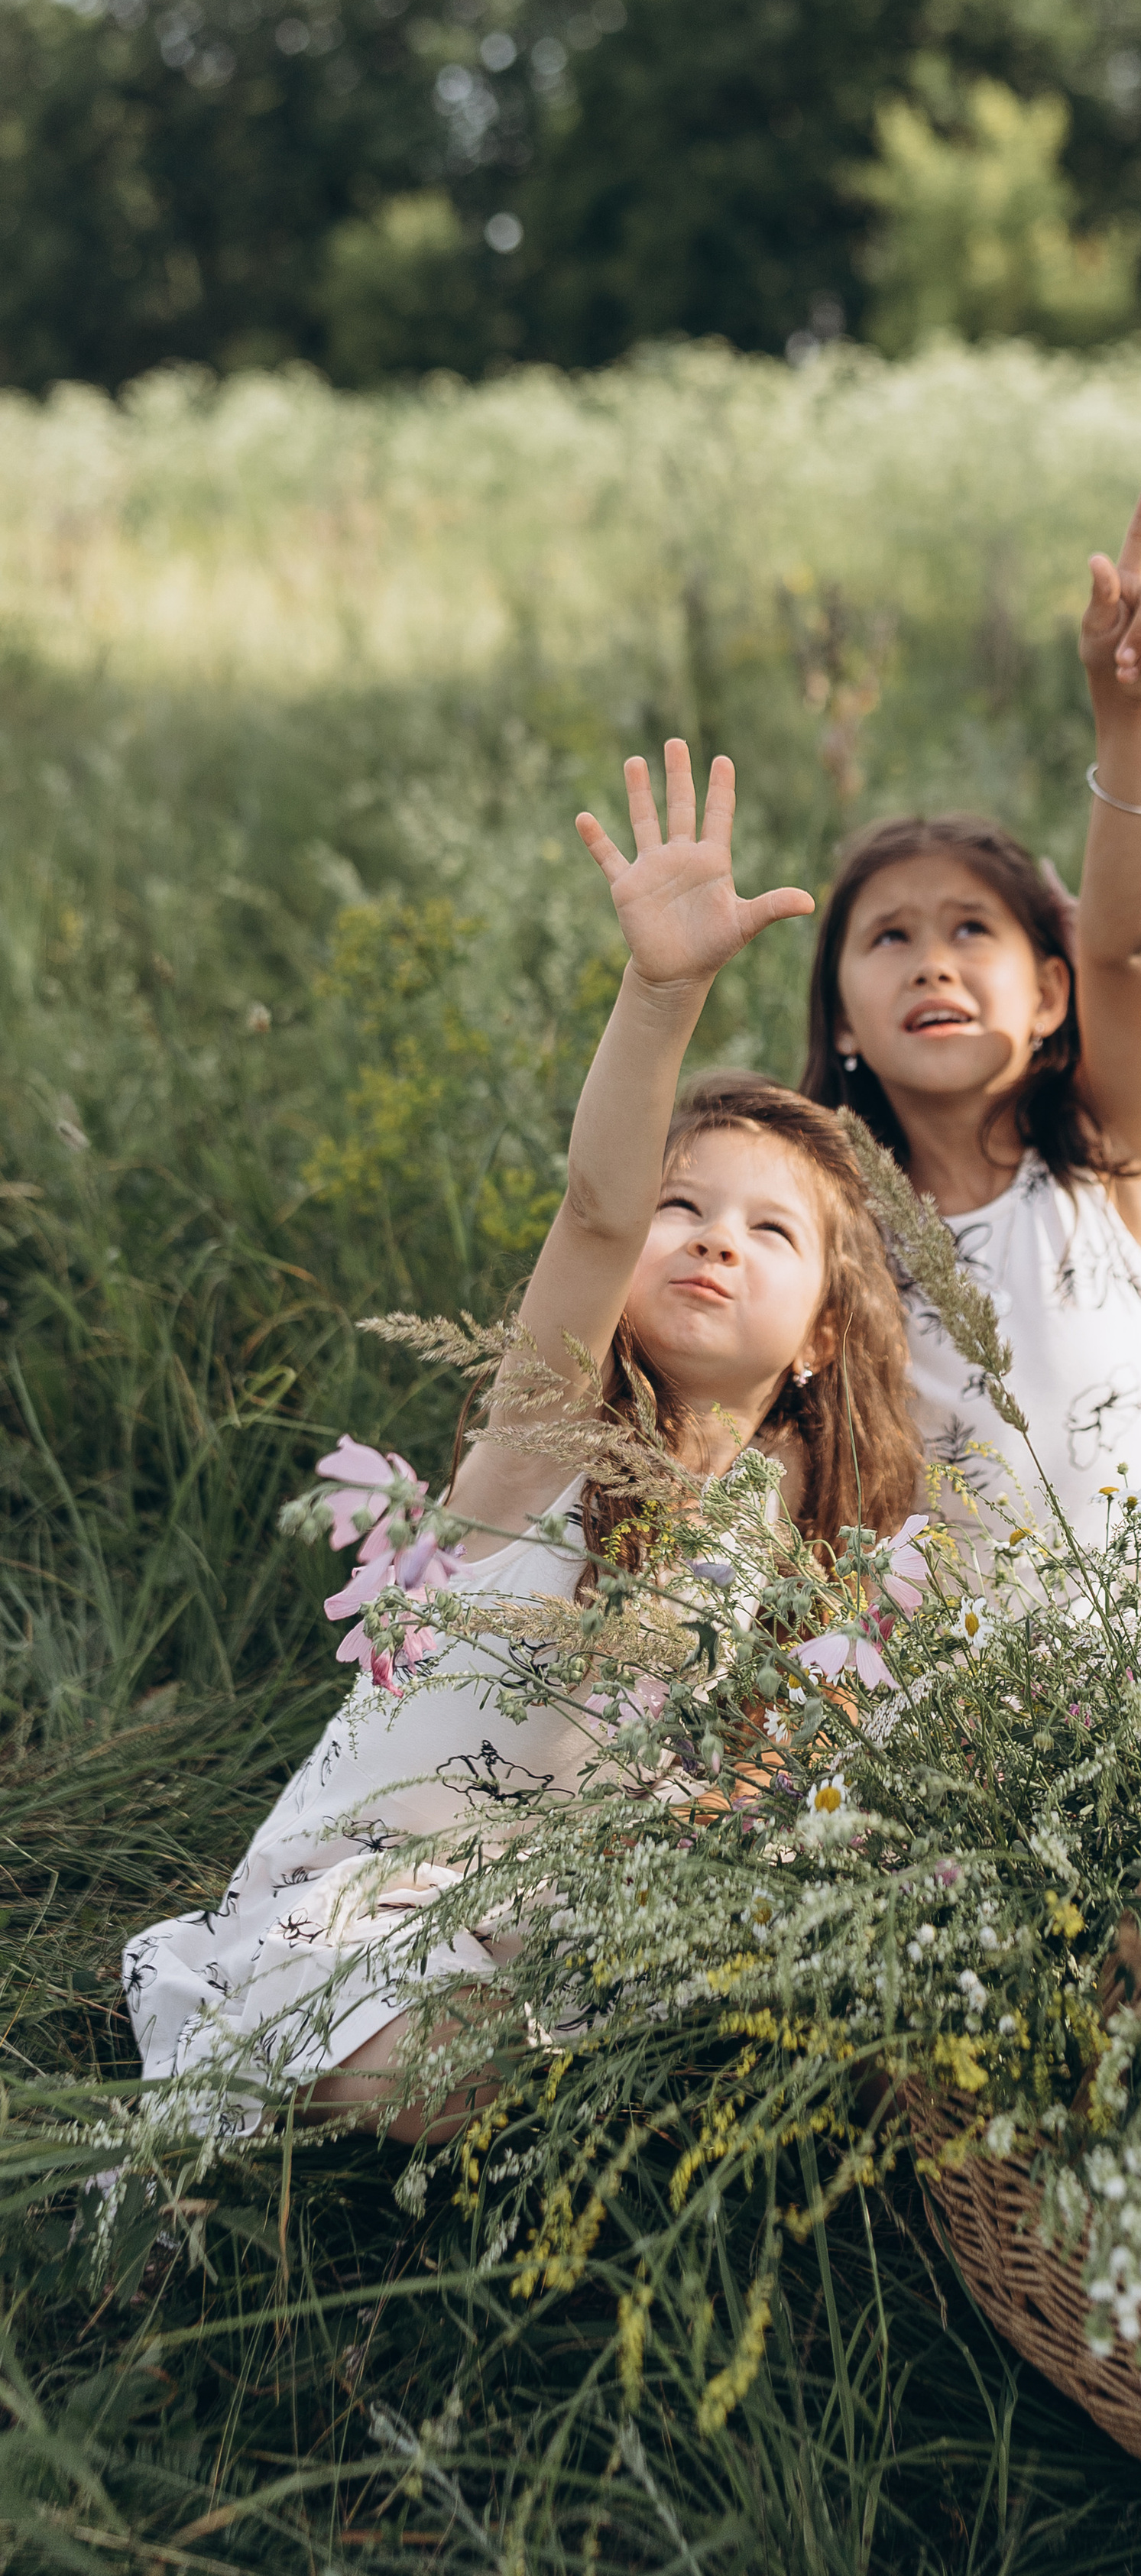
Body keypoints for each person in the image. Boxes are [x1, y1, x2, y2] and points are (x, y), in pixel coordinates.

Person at [125, 744, 919, 2141]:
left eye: (770, 1231)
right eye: (691, 1208)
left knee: (678, 2046)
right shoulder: (547, 1441)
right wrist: (661, 994)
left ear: (819, 1346)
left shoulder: (794, 1557)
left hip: (562, 1933)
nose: (714, 1238)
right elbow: (598, 1210)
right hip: (366, 1905)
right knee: (446, 2073)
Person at [801, 475, 1141, 1548]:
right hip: (927, 1698)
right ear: (842, 1022)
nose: (932, 964)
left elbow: (1125, 945)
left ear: (1051, 994)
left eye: (972, 931)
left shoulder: (1105, 1168)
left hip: (1136, 1684)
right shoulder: (831, 1237)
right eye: (890, 937)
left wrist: (1130, 709)